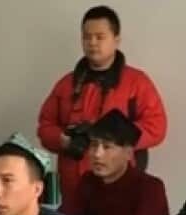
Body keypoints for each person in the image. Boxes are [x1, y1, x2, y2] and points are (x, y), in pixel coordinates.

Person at [37, 4, 167, 204]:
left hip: (121, 187)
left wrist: (113, 140)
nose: (92, 43)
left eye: (100, 37)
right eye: (86, 37)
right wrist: (64, 140)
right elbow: (45, 125)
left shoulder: (136, 82)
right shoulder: (67, 84)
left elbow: (156, 126)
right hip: (75, 190)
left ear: (116, 40)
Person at [58, 109, 169, 215]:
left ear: (128, 153)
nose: (97, 154)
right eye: (93, 145)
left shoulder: (150, 188)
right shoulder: (88, 181)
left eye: (107, 147)